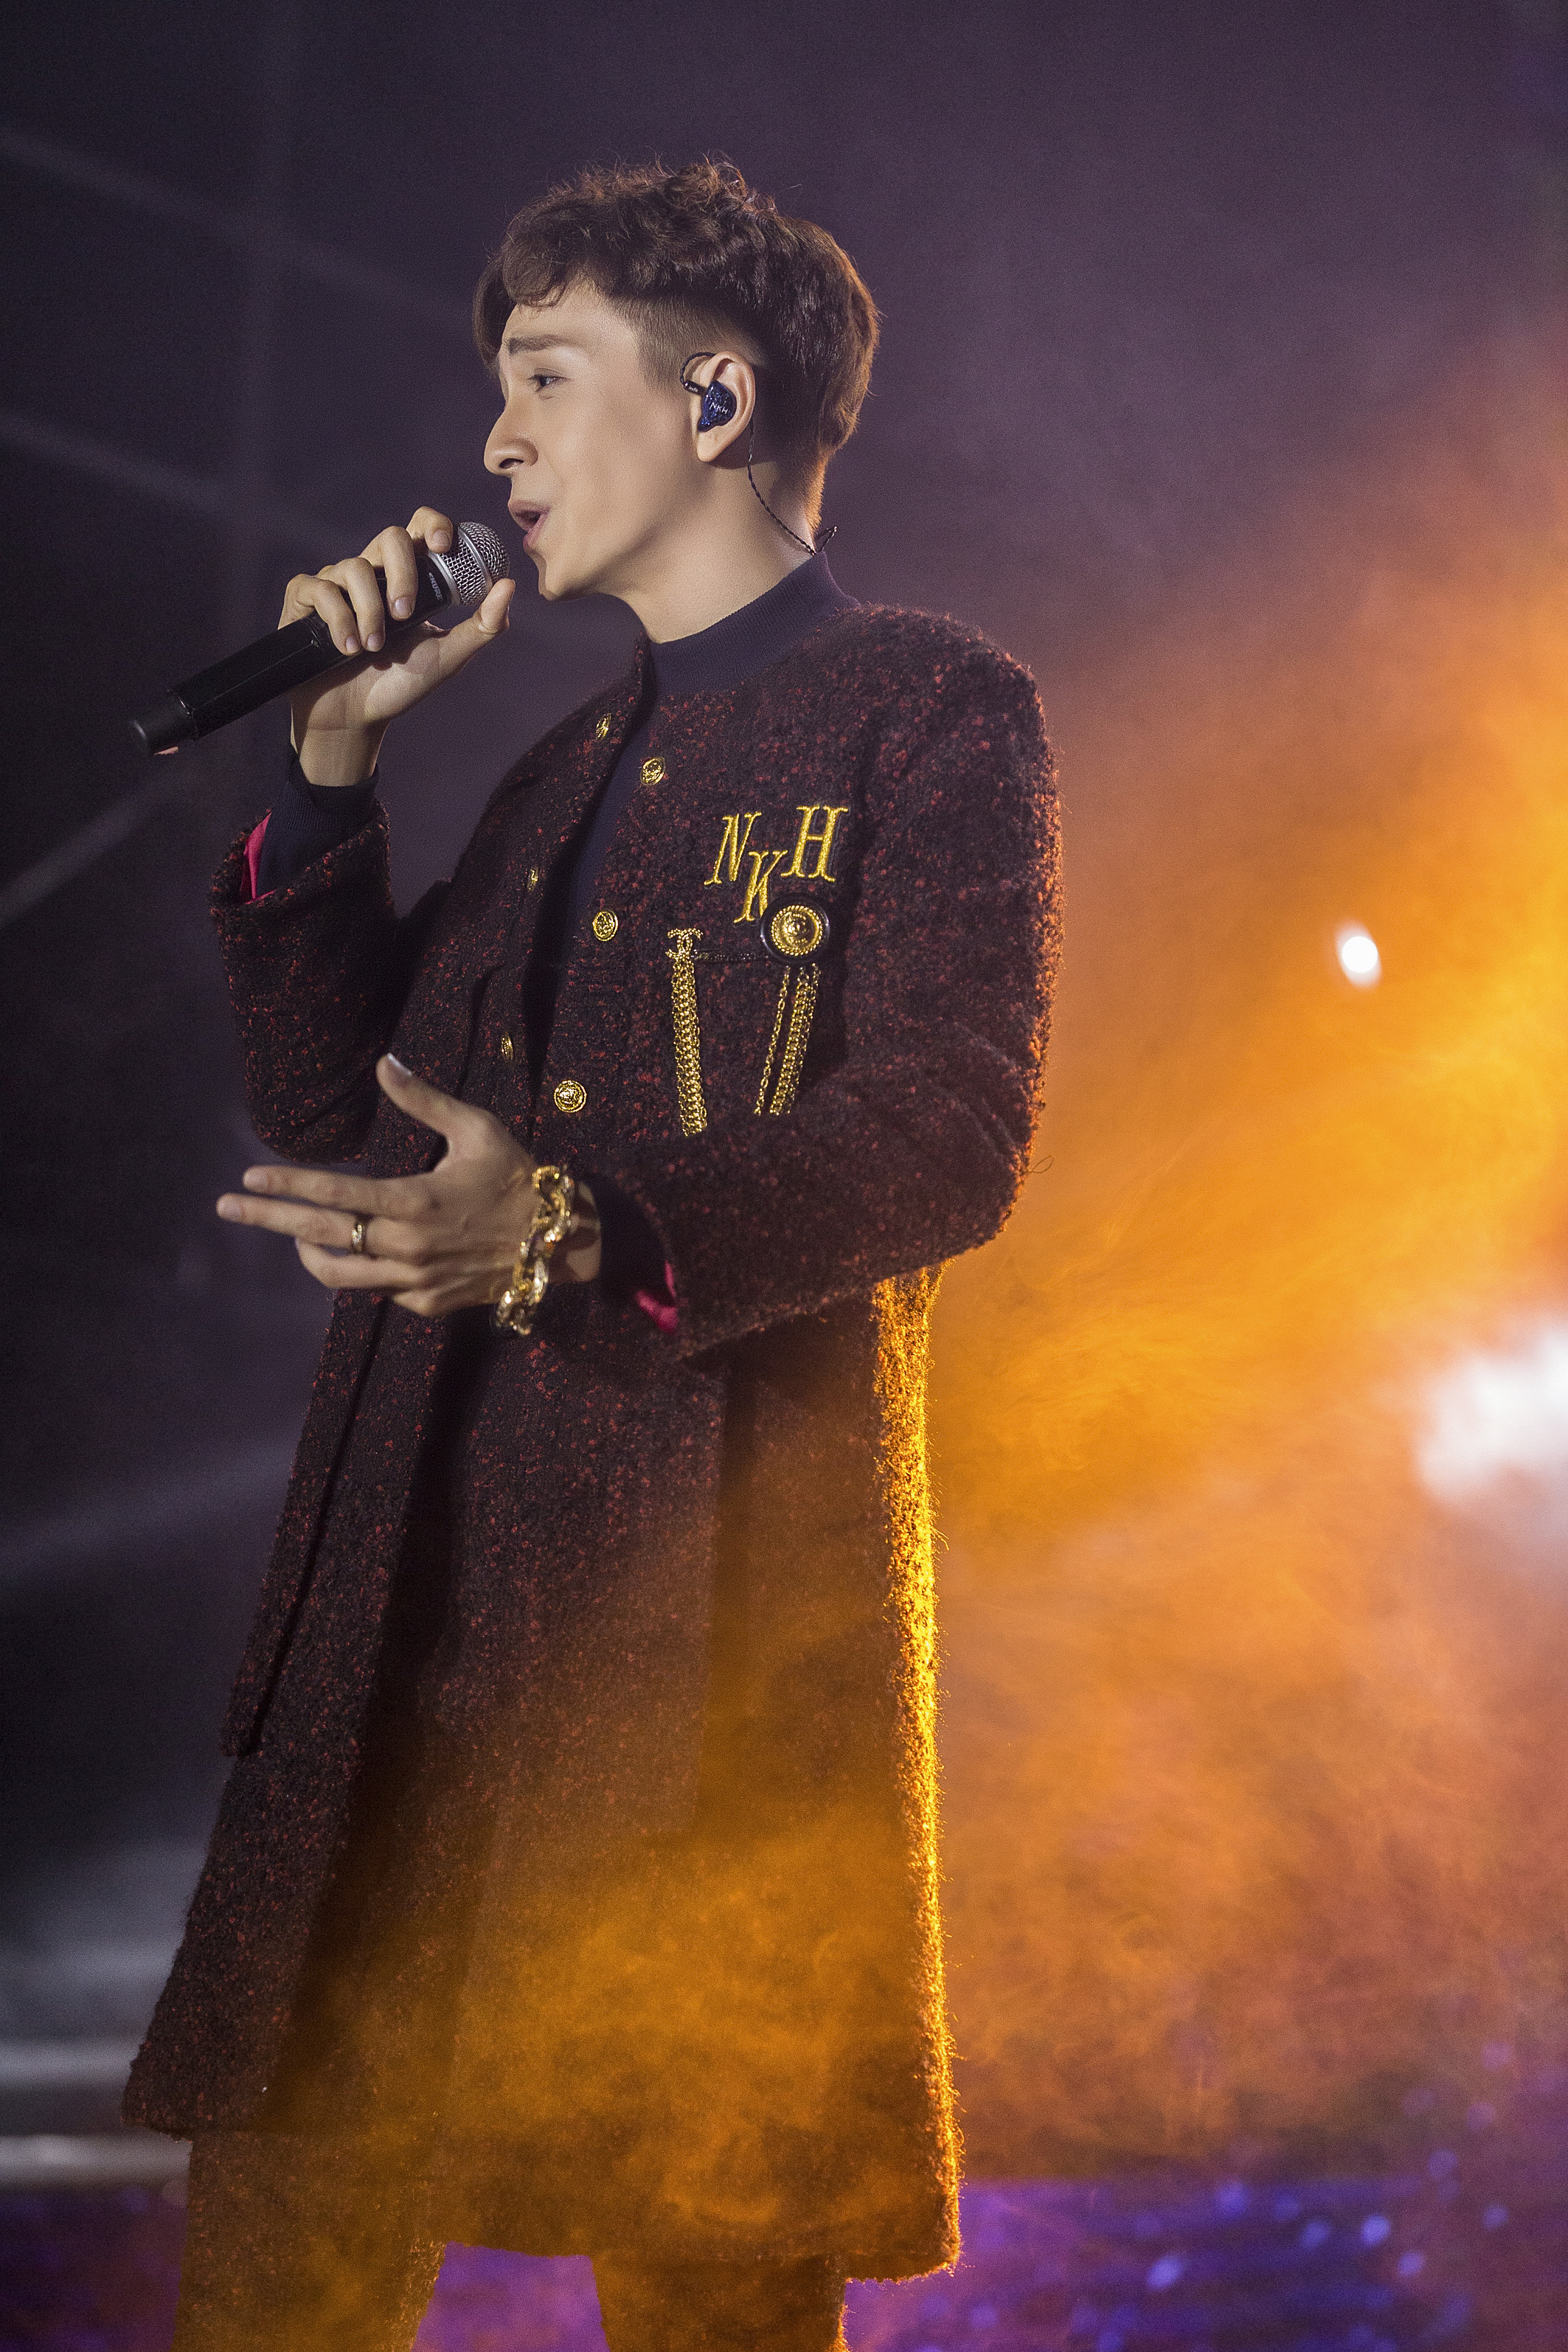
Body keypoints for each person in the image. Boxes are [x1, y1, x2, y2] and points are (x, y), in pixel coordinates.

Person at [125, 159, 1061, 2352]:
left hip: (703, 1647)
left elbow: (950, 1133)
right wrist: (333, 764)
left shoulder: (929, 711)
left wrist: (561, 1230)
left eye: (544, 376)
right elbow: (345, 1115)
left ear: (715, 399)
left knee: (712, 2262)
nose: (495, 440)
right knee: (272, 2286)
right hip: (396, 1652)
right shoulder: (553, 775)